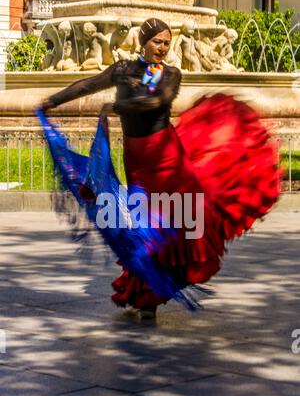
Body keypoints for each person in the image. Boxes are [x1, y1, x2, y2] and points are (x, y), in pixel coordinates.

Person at [38, 18, 281, 320]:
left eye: (167, 42)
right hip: (138, 161)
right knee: (142, 225)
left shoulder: (171, 75)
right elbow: (88, 84)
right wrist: (52, 100)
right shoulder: (122, 70)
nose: (163, 48)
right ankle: (143, 289)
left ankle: (153, 293)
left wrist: (118, 107)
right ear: (144, 42)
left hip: (168, 159)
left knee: (171, 221)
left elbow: (158, 101)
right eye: (157, 42)